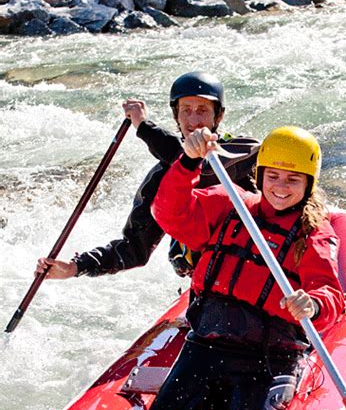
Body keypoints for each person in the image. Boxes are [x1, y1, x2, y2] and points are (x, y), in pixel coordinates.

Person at [148, 125, 346, 410]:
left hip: (270, 361)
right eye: (273, 176)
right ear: (260, 175)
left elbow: (330, 294)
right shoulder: (229, 205)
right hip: (205, 348)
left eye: (293, 179)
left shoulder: (313, 234)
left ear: (308, 184)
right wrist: (189, 161)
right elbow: (168, 212)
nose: (281, 187)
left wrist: (313, 304)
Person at [35, 71, 260, 281]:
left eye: (202, 110)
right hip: (209, 273)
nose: (193, 120)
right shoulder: (162, 177)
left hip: (257, 260)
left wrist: (144, 127)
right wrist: (75, 267)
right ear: (176, 116)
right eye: (186, 110)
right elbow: (134, 249)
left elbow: (207, 170)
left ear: (218, 116)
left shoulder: (244, 150)